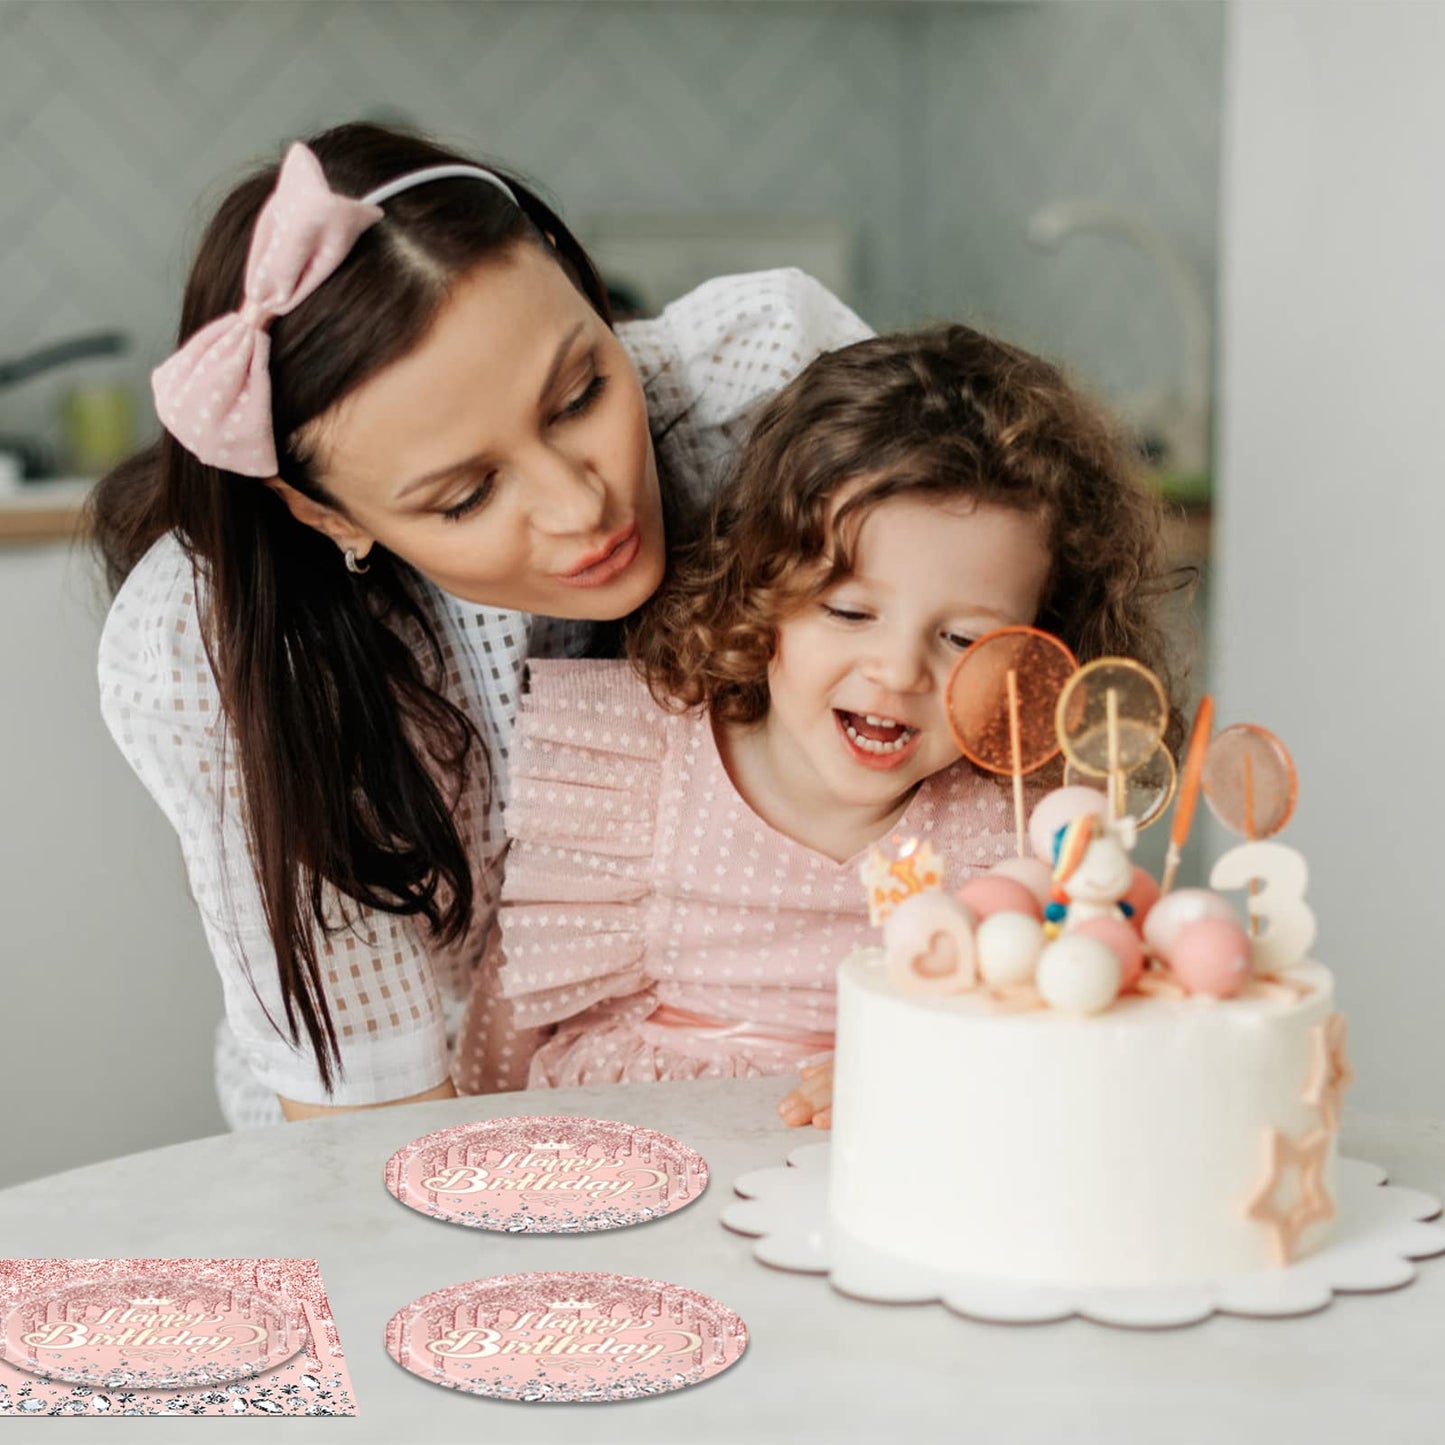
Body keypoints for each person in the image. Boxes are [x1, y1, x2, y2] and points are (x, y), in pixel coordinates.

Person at [91, 122, 870, 1127]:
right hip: (423, 1111)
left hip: (772, 1077)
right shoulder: (220, 649)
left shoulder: (758, 394)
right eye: (463, 496)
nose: (579, 505)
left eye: (581, 391)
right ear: (324, 513)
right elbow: (371, 1114)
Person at [457, 325, 1186, 1116]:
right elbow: (501, 1049)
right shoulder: (634, 768)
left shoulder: (1021, 823)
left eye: (964, 638)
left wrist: (923, 1079)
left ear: (1040, 650)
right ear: (759, 586)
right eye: (847, 610)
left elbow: (1053, 1052)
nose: (898, 670)